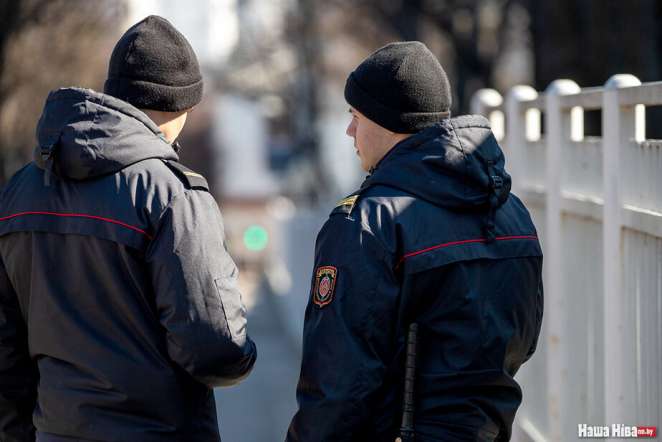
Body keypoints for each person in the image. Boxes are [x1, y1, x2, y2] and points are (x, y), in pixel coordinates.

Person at [0, 15, 256, 442]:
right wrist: (243, 351)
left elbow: (6, 353)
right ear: (182, 106)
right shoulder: (173, 196)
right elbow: (214, 349)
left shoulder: (20, 191)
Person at [287, 41, 543, 442]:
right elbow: (523, 341)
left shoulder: (366, 222)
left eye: (356, 116)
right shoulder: (510, 211)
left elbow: (337, 385)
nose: (350, 130)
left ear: (389, 122)